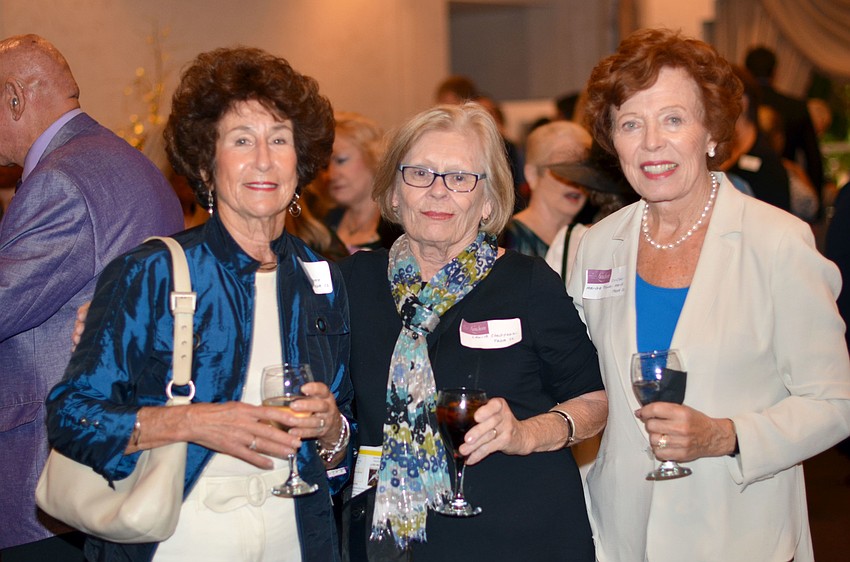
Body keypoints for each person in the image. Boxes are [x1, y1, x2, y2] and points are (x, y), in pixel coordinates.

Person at [45, 46, 354, 562]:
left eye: (279, 139)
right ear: (207, 167)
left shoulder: (319, 278)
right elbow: (72, 418)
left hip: (294, 533)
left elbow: (342, 439)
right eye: (241, 140)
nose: (263, 158)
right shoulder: (152, 272)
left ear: (301, 163)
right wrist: (193, 422)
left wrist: (330, 429)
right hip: (181, 533)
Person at [568, 28, 850, 561]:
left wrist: (725, 435)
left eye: (673, 119)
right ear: (613, 141)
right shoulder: (599, 245)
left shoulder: (777, 242)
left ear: (712, 133)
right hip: (620, 533)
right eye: (631, 123)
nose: (652, 142)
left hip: (737, 530)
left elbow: (836, 402)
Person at [339, 103, 607, 560]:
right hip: (395, 540)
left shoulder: (528, 283)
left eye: (460, 177)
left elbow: (595, 401)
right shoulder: (352, 284)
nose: (438, 192)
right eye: (419, 173)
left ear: (488, 202)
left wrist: (526, 433)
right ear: (395, 192)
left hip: (521, 535)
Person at [0, 34, 183, 560]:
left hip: (51, 468)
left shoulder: (61, 179)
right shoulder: (127, 162)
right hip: (117, 455)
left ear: (14, 97)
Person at [501, 121, 593, 258]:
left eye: (584, 170)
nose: (576, 181)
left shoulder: (591, 240)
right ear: (532, 174)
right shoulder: (505, 240)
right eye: (564, 170)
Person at [745, 46, 824, 197]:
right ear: (774, 72)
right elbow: (814, 161)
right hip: (785, 184)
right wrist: (816, 198)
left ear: (746, 71)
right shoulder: (795, 107)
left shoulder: (738, 108)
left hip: (746, 184)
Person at [325, 111, 400, 253]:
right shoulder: (321, 226)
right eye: (325, 165)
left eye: (340, 160)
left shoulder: (399, 229)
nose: (331, 174)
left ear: (373, 157)